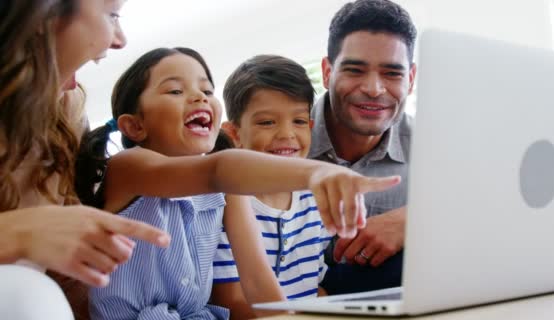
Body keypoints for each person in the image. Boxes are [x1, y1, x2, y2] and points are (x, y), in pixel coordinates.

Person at [77, 47, 400, 319]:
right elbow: (218, 168)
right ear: (134, 126)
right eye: (176, 90)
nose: (199, 99)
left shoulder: (229, 191)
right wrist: (316, 171)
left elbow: (260, 286)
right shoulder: (130, 166)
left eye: (206, 90)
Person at [0, 1, 170, 319]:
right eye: (112, 15)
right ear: (41, 14)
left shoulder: (66, 111)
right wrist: (15, 232)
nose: (119, 40)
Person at [212, 55, 333, 317]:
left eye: (299, 121)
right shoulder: (223, 206)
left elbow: (316, 287)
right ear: (233, 134)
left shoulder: (315, 201)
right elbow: (232, 302)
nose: (287, 134)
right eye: (267, 122)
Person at [310, 0, 418, 294]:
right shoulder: (280, 137)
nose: (374, 89)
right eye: (355, 70)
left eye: (392, 73)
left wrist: (414, 218)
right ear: (327, 72)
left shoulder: (433, 146)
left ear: (410, 79)